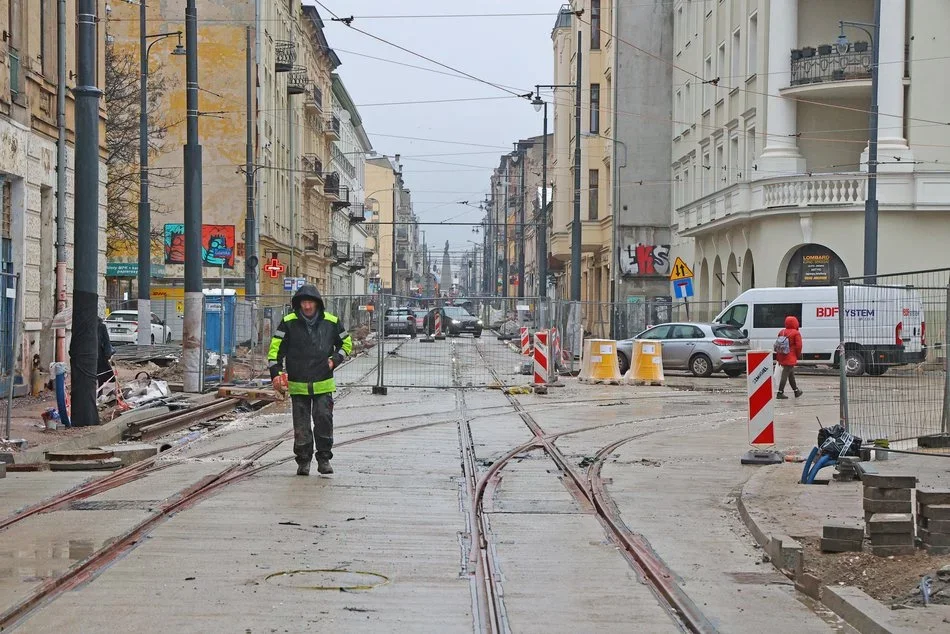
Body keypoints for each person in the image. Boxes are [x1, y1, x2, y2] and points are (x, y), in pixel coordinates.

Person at [268, 285, 352, 476]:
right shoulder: (288, 323)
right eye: (303, 302)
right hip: (298, 384)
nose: (307, 306)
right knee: (301, 425)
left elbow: (346, 343)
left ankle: (324, 459)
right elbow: (275, 350)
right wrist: (275, 373)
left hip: (323, 382)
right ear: (299, 304)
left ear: (317, 303)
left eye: (310, 302)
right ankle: (303, 461)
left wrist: (335, 360)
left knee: (323, 419)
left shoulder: (331, 322)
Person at [775, 315, 803, 399]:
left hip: (782, 354)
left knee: (791, 374)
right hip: (790, 355)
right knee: (785, 373)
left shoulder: (782, 331)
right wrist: (798, 355)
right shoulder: (796, 333)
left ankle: (796, 391)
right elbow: (799, 346)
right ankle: (780, 392)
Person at [97, 308, 115, 389]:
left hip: (99, 354)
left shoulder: (101, 327)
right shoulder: (100, 326)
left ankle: (99, 391)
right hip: (97, 354)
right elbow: (106, 341)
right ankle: (98, 391)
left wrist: (107, 353)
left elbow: (106, 341)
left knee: (100, 374)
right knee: (98, 374)